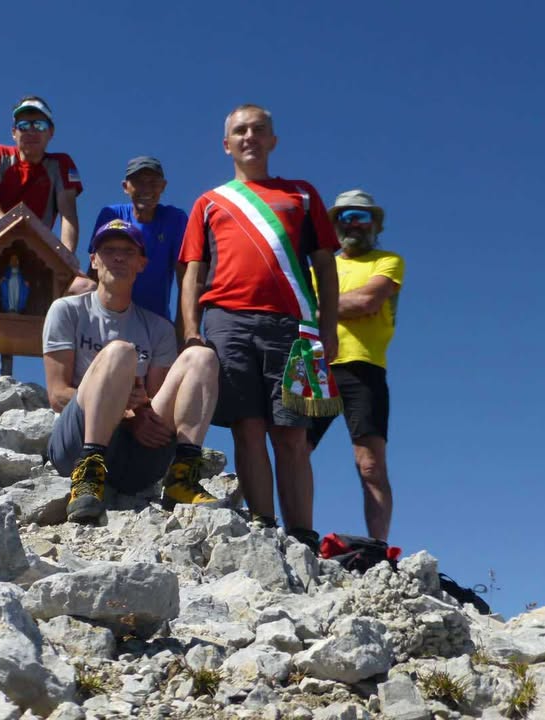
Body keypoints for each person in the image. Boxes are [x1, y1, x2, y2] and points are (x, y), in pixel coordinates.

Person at [178, 104, 340, 549]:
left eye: (259, 130)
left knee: (293, 432)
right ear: (226, 144)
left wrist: (329, 329)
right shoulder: (209, 202)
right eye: (240, 130)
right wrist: (191, 329)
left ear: (273, 141)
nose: (249, 136)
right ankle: (263, 526)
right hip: (227, 320)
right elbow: (193, 270)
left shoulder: (302, 195)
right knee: (246, 428)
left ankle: (303, 533)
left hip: (293, 325)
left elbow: (325, 265)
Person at [43, 219, 221, 523]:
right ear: (94, 260)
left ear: (142, 263)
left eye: (128, 251)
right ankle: (88, 474)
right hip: (75, 444)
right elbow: (58, 395)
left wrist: (139, 411)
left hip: (136, 457)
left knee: (201, 357)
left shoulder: (159, 329)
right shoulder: (67, 310)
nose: (119, 257)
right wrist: (126, 414)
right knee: (120, 351)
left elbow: (154, 404)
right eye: (109, 250)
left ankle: (181, 476)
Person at [308, 190, 403, 541]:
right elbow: (303, 308)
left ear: (376, 224)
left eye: (361, 217)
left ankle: (379, 546)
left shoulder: (388, 261)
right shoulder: (321, 264)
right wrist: (329, 307)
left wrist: (323, 308)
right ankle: (299, 530)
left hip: (365, 368)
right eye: (344, 217)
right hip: (317, 364)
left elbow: (368, 300)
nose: (352, 224)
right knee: (296, 450)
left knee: (371, 464)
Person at [0, 95, 93, 297]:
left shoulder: (61, 164)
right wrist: (20, 237)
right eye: (23, 125)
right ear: (13, 132)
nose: (31, 131)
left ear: (51, 132)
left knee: (87, 288)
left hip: (37, 254)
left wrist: (65, 259)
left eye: (39, 124)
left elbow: (68, 216)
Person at [92, 156, 189, 322]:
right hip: (110, 318)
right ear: (125, 187)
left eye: (153, 183)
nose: (146, 189)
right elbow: (95, 269)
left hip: (154, 322)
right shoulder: (111, 214)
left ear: (163, 186)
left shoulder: (175, 219)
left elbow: (185, 277)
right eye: (138, 182)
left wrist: (184, 331)